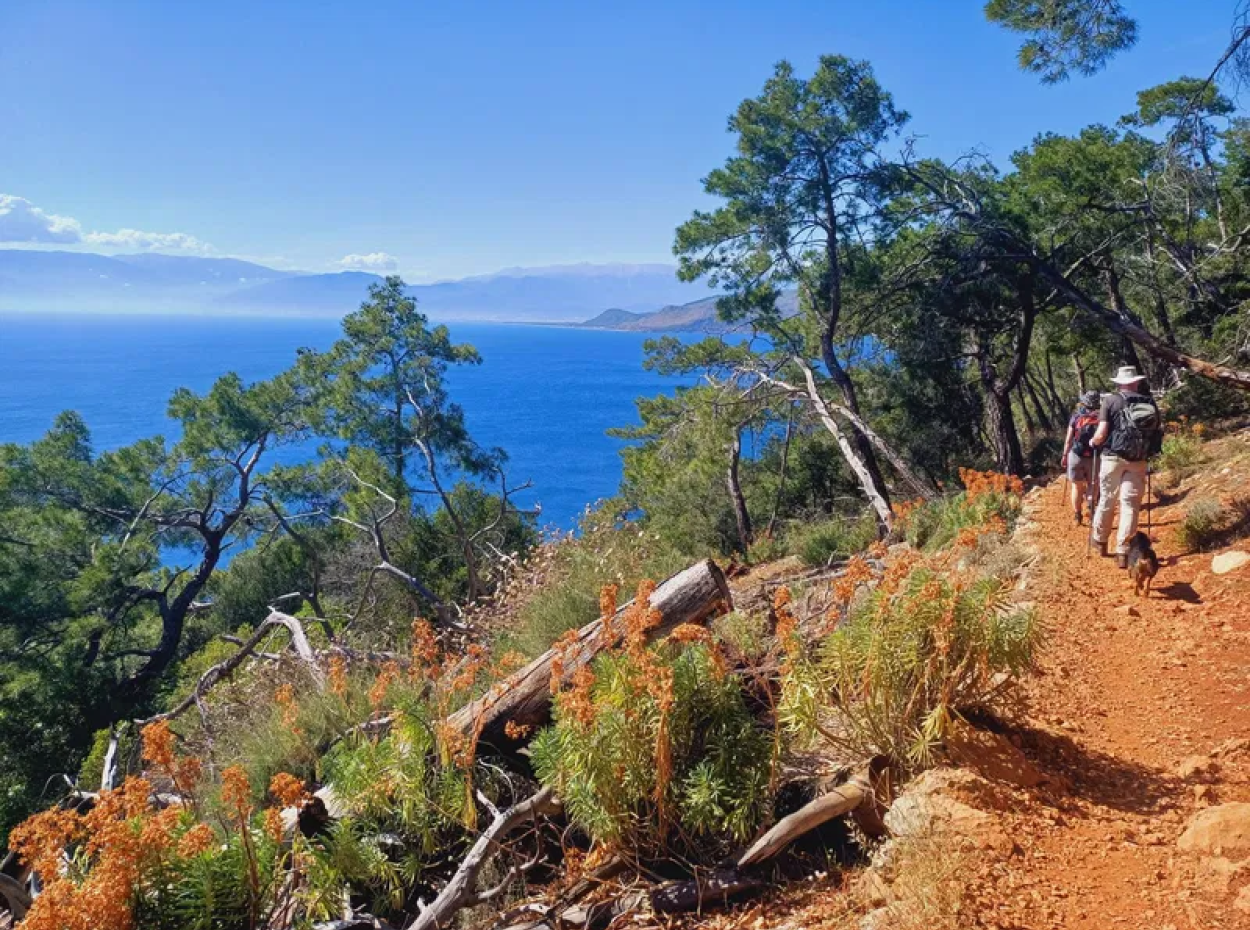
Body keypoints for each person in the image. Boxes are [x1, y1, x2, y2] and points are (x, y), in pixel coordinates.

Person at [1090, 366, 1163, 567]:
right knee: (1130, 504)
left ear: (1119, 382)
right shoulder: (1149, 402)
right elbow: (1157, 431)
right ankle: (1124, 552)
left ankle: (1100, 541)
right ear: (1137, 382)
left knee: (1107, 498)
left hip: (1113, 458)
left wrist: (1094, 441)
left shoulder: (1111, 401)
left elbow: (1102, 433)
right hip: (1138, 459)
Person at [1060, 390, 1101, 525]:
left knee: (1076, 487)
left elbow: (1069, 439)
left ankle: (1077, 516)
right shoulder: (1102, 417)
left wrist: (1065, 455)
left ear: (1084, 402)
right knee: (1093, 485)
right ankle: (1091, 509)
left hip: (1076, 455)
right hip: (1095, 456)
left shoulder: (1077, 417)